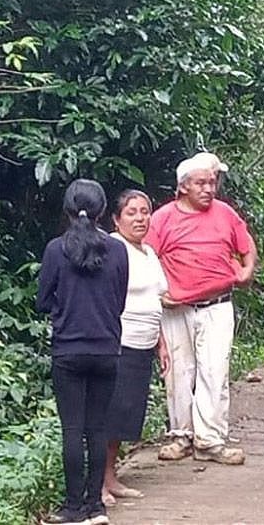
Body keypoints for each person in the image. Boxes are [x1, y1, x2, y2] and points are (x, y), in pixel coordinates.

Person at [146, 154, 257, 465]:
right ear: (183, 187)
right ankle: (181, 435)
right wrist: (156, 293)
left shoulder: (225, 214)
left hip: (217, 305)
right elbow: (145, 257)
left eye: (212, 182)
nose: (209, 188)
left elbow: (246, 247)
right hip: (176, 307)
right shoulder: (163, 218)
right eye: (201, 183)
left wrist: (247, 270)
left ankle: (209, 440)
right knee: (177, 373)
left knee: (214, 372)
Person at [36, 179, 129, 525]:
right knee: (98, 427)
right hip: (107, 349)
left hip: (68, 351)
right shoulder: (118, 250)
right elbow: (119, 300)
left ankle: (73, 507)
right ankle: (96, 506)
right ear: (105, 211)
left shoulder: (55, 250)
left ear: (67, 210)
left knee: (72, 429)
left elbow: (42, 302)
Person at [101, 190, 170, 506]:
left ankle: (111, 477)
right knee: (109, 414)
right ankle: (98, 483)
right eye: (132, 212)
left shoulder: (148, 252)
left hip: (144, 343)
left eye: (145, 211)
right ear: (116, 219)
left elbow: (155, 300)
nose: (140, 218)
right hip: (120, 342)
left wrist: (161, 343)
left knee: (126, 415)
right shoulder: (114, 249)